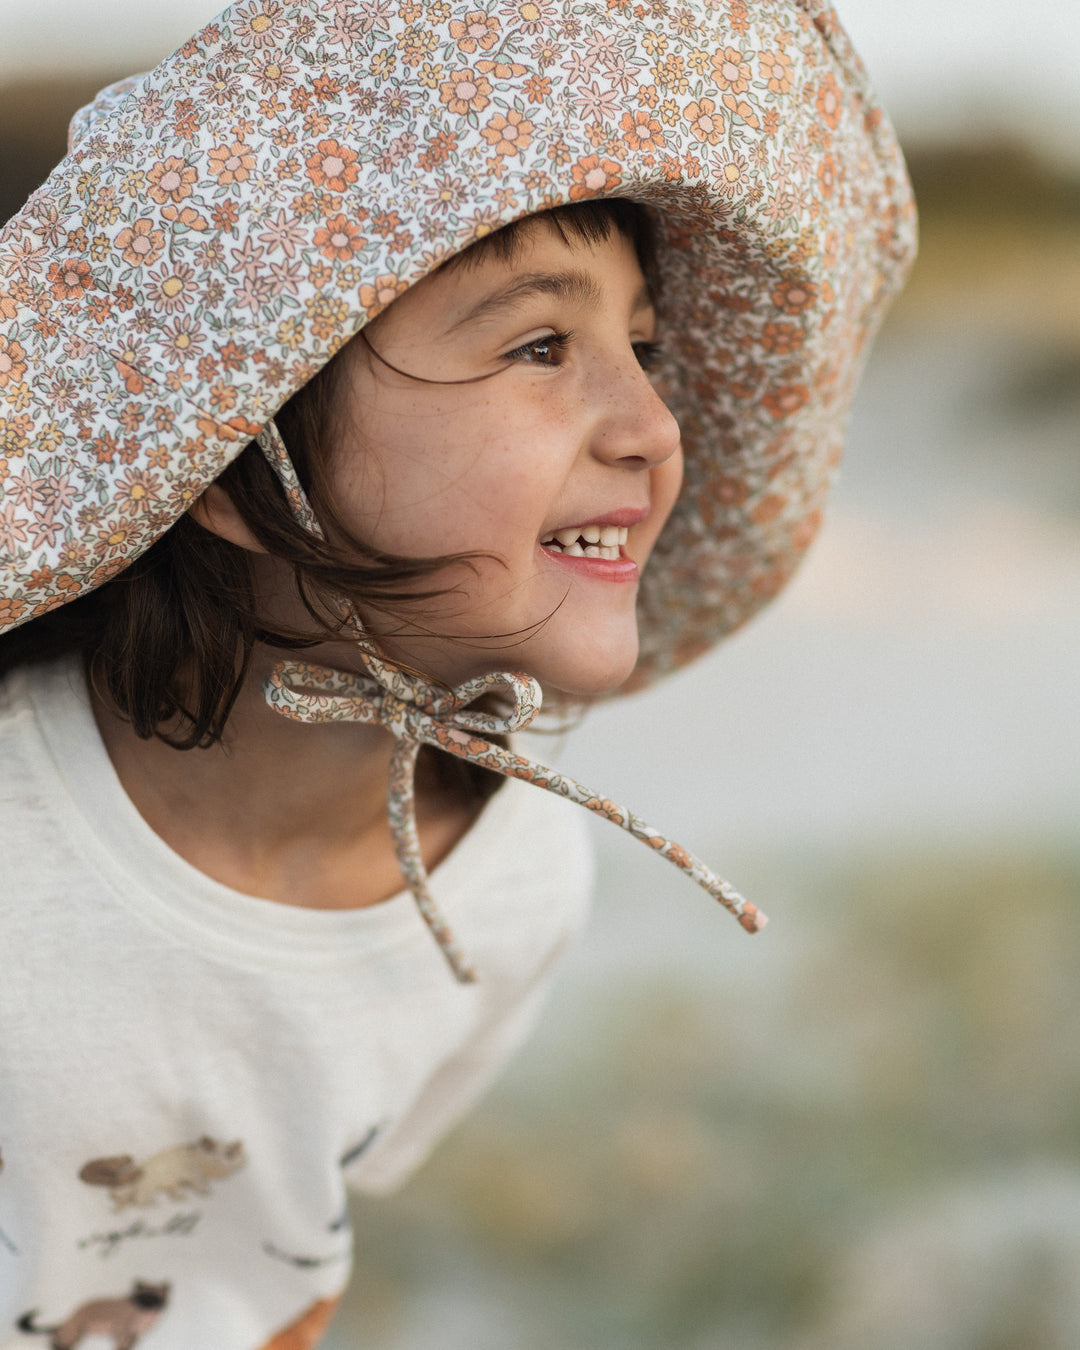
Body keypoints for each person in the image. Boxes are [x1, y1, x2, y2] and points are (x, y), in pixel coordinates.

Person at [0, 0, 915, 1343]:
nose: (655, 426)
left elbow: (279, 1251)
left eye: (644, 350)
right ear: (240, 464)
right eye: (541, 345)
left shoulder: (511, 887)